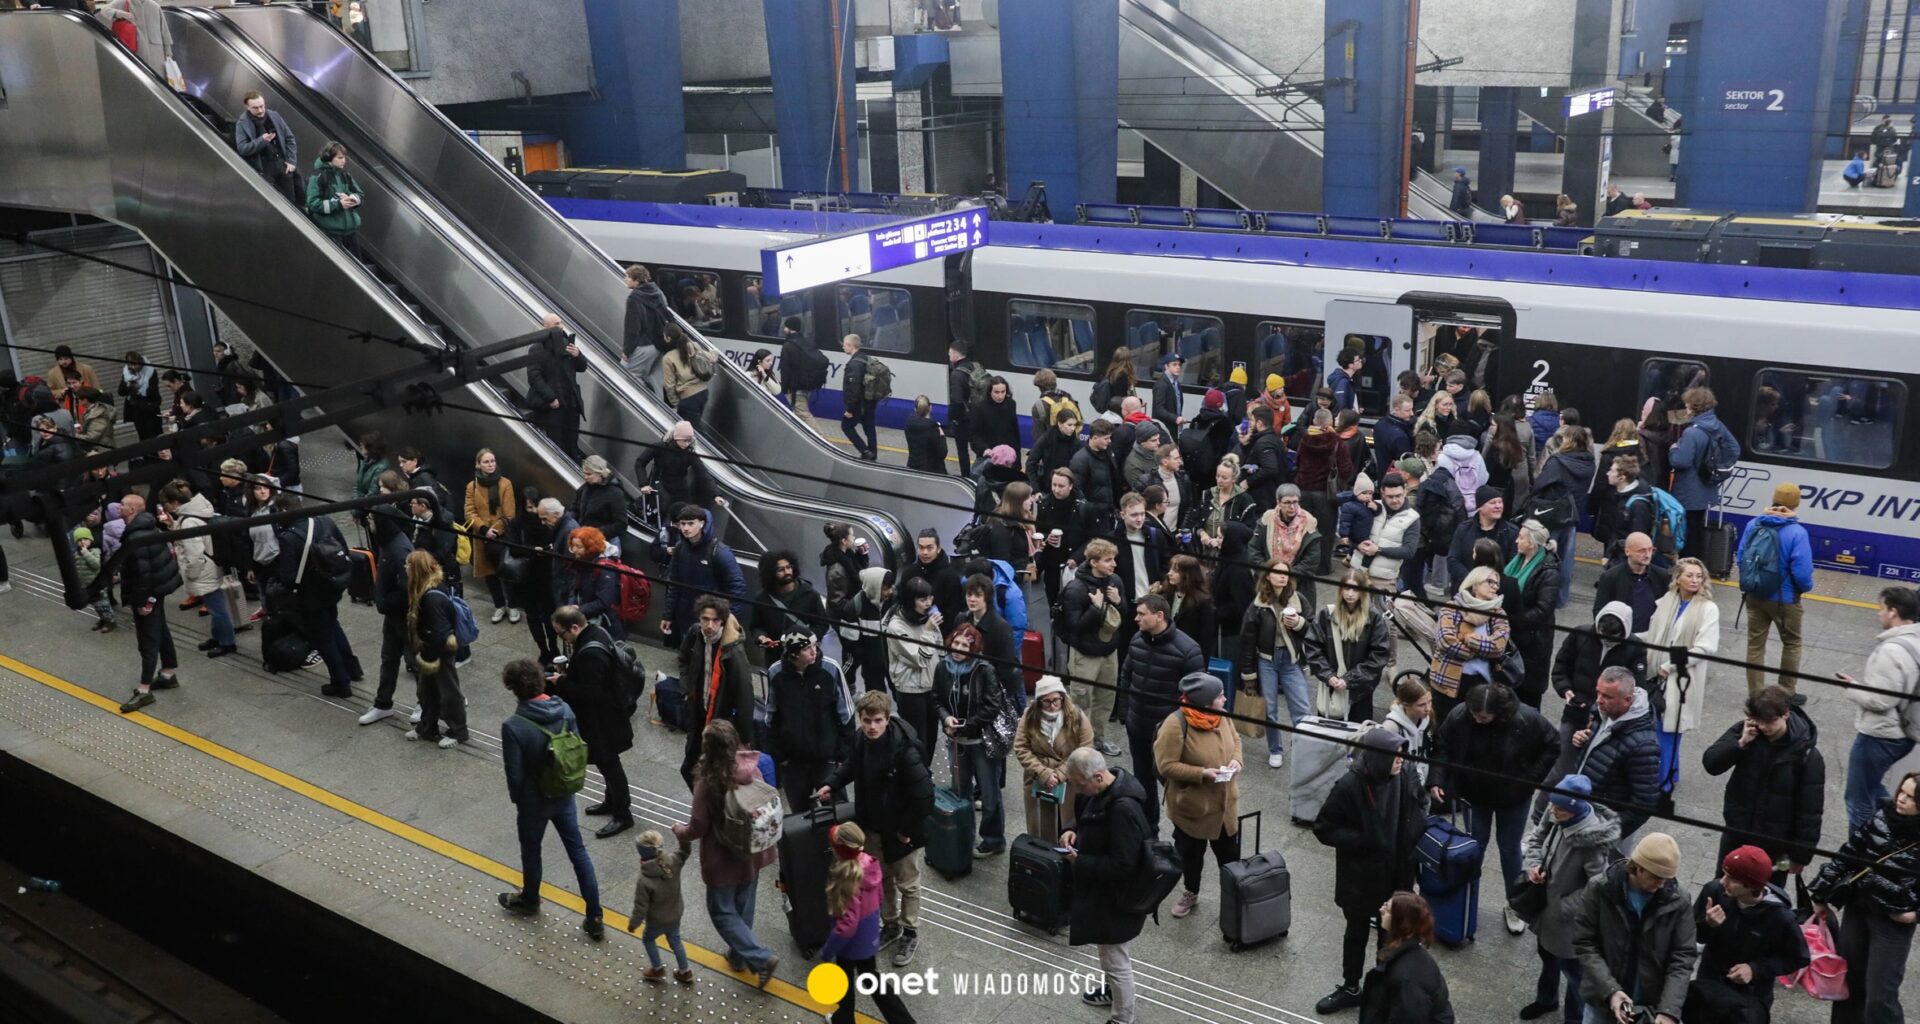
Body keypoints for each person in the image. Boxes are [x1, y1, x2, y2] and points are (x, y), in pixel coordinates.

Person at [1429, 682, 1558, 935]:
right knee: (1473, 847)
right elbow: (1442, 744)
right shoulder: (1461, 715)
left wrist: (1530, 778)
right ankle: (1468, 900)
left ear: (1499, 712)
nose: (1477, 720)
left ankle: (1515, 903)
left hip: (1513, 797)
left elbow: (1553, 744)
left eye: (1483, 717)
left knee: (1510, 850)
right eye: (1475, 715)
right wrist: (1437, 779)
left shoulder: (1527, 719)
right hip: (1475, 794)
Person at [817, 690, 934, 969]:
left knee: (907, 883)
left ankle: (910, 931)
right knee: (880, 879)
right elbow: (851, 766)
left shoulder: (904, 751)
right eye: (867, 720)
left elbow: (925, 795)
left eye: (877, 720)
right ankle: (891, 925)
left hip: (901, 831)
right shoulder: (861, 740)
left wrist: (906, 830)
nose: (871, 727)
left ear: (887, 719)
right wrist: (831, 783)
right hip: (872, 825)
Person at [1314, 727, 1426, 1015]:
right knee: (1356, 932)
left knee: (1390, 936)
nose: (1401, 759)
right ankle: (1351, 987)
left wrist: (1414, 831)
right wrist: (1363, 841)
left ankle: (1382, 990)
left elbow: (1420, 803)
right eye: (1394, 755)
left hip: (1397, 873)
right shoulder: (1350, 785)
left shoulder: (1405, 773)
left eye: (1402, 753)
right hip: (1360, 878)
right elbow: (1324, 828)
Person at [495, 659, 605, 940]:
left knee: (532, 849)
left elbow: (514, 773)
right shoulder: (564, 709)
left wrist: (518, 799)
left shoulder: (514, 726)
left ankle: (530, 899)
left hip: (534, 800)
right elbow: (577, 745)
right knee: (578, 852)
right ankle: (594, 915)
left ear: (513, 689)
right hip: (564, 792)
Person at [674, 720, 780, 987]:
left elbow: (698, 826)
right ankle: (738, 957)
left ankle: (760, 957)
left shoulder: (707, 782)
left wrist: (679, 831)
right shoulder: (751, 767)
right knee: (744, 905)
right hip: (752, 852)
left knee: (721, 912)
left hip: (723, 859)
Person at [1809, 770, 1920, 1024]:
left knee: (1881, 995)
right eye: (1901, 792)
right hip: (1858, 910)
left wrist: (1914, 915)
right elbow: (1848, 855)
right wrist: (1820, 894)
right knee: (1849, 985)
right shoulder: (1881, 818)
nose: (1901, 799)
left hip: (1891, 922)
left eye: (1911, 797)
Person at [1060, 747, 1152, 1024]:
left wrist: (1081, 861)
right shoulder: (1102, 792)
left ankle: (1123, 1018)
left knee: (1115, 960)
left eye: (1079, 784)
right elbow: (1088, 818)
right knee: (1109, 954)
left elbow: (1123, 865)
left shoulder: (1123, 809)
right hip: (1103, 895)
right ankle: (1112, 991)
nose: (1075, 789)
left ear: (1098, 777)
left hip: (1116, 900)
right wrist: (1072, 829)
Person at [1517, 775, 1619, 1023]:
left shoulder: (1591, 842)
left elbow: (1598, 885)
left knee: (1575, 978)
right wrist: (1532, 865)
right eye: (1553, 805)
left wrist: (1565, 906)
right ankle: (1547, 999)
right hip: (1545, 910)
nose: (1552, 811)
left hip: (1568, 923)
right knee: (1547, 957)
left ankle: (1574, 1019)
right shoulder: (1556, 811)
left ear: (1575, 810)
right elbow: (1537, 838)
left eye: (1559, 809)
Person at [1569, 831, 1697, 1024]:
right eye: (1656, 877)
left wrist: (1669, 1010)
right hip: (1603, 1001)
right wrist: (1611, 991)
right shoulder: (1599, 889)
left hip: (1652, 1005)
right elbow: (1585, 943)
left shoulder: (1680, 900)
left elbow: (1683, 956)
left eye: (1667, 878)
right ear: (1637, 868)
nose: (1662, 884)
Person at [1700, 683, 1825, 880]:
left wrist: (1800, 856)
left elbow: (1810, 811)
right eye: (1759, 720)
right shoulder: (1747, 732)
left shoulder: (1807, 755)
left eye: (1770, 721)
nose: (1764, 727)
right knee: (1723, 890)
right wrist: (1739, 744)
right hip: (1737, 835)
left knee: (1763, 901)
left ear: (1785, 714)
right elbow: (1711, 763)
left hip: (1774, 847)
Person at [1155, 672, 1245, 922]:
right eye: (1220, 696)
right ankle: (1190, 892)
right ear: (1205, 702)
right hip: (1192, 809)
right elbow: (1166, 766)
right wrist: (1202, 773)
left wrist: (1236, 760)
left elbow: (1236, 740)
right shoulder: (1175, 724)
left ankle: (1234, 897)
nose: (1225, 699)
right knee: (1191, 857)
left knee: (1230, 859)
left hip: (1225, 807)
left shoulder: (1222, 716)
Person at [1684, 845, 1808, 1023]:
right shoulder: (1714, 892)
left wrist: (1755, 969)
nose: (1722, 882)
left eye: (1731, 878)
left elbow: (1799, 957)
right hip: (1709, 987)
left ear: (1751, 886)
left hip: (1749, 999)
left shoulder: (1780, 918)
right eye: (1724, 874)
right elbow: (1692, 936)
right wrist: (1708, 924)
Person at [814, 822, 917, 1024]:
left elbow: (847, 923)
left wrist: (828, 950)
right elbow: (878, 897)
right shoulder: (870, 862)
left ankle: (844, 1019)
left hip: (850, 945)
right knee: (871, 978)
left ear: (838, 851)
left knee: (846, 982)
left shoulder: (845, 877)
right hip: (868, 935)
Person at [1837, 587, 1920, 833]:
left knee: (1857, 800)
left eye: (1881, 608)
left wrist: (1851, 687)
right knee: (1872, 788)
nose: (1878, 614)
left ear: (1893, 612)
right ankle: (1893, 831)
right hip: (1903, 733)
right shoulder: (1915, 641)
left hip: (1880, 734)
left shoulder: (1892, 649)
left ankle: (1862, 852)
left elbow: (1882, 700)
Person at [1637, 557, 1719, 804]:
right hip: (1658, 675)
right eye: (1689, 575)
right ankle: (1670, 774)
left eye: (1698, 576)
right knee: (1660, 727)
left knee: (1669, 730)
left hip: (1682, 678)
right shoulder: (1666, 602)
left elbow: (1705, 647)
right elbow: (1653, 635)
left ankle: (1663, 783)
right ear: (1677, 578)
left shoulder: (1708, 609)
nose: (1695, 580)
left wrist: (1669, 665)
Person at [1122, 594, 1206, 833]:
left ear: (1159, 616)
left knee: (1175, 784)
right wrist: (1126, 712)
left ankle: (1185, 832)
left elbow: (1196, 696)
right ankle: (1150, 832)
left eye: (1141, 614)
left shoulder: (1188, 650)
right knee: (1143, 781)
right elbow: (1126, 675)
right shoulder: (1137, 640)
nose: (1136, 618)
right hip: (1138, 727)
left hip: (1168, 735)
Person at [549, 605, 635, 839]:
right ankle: (611, 801)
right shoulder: (597, 632)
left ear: (574, 627)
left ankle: (623, 814)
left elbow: (592, 691)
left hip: (603, 721)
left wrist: (562, 682)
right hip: (606, 715)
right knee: (608, 765)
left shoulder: (590, 653)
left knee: (610, 765)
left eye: (561, 633)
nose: (561, 638)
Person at [934, 623, 1009, 858]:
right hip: (956, 742)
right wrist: (946, 719)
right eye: (955, 643)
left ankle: (993, 840)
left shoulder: (984, 669)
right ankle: (963, 834)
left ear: (974, 647)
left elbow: (992, 706)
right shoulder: (942, 667)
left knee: (989, 795)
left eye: (964, 645)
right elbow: (936, 698)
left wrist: (967, 726)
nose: (958, 649)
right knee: (960, 793)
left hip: (981, 743)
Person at [1736, 482, 1813, 694]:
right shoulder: (1797, 532)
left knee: (1755, 645)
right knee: (1792, 643)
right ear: (1796, 504)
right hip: (1784, 600)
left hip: (1754, 594)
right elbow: (1802, 573)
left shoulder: (1754, 524)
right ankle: (1786, 693)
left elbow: (1741, 557)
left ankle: (1756, 694)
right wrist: (1803, 589)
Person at [1568, 666, 1660, 842]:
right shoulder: (1604, 712)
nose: (1599, 700)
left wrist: (1604, 835)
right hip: (1581, 815)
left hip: (1603, 832)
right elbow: (1602, 755)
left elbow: (1644, 805)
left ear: (1627, 700)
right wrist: (1582, 742)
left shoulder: (1644, 746)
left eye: (1607, 696)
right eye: (1598, 693)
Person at [1238, 559, 1313, 769]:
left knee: (1302, 708)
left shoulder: (1298, 600)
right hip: (1266, 661)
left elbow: (1315, 629)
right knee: (1270, 710)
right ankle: (1275, 750)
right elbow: (1247, 640)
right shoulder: (1258, 604)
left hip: (1291, 660)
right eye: (1277, 572)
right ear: (1267, 576)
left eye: (1285, 573)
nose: (1282, 576)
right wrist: (1248, 674)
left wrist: (1299, 624)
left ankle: (1303, 750)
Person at [675, 594, 756, 787]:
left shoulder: (733, 651)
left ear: (723, 621)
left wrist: (743, 739)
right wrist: (687, 688)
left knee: (714, 776)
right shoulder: (696, 634)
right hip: (699, 713)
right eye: (705, 619)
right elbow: (684, 659)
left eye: (715, 620)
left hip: (720, 720)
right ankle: (705, 811)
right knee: (689, 769)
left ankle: (709, 812)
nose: (709, 625)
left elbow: (745, 696)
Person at [768, 630, 853, 810]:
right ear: (793, 654)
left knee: (838, 811)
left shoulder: (830, 669)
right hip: (794, 761)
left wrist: (841, 755)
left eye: (814, 646)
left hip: (827, 758)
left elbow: (847, 714)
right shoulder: (776, 673)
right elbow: (771, 717)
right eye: (807, 648)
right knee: (801, 815)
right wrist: (781, 755)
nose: (815, 652)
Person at [153, 481, 237, 659]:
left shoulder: (189, 521)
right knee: (216, 606)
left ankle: (227, 642)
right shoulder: (196, 511)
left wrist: (191, 574)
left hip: (203, 570)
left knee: (217, 608)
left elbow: (194, 552)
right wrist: (173, 525)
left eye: (165, 503)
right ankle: (218, 637)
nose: (165, 507)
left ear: (174, 502)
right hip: (210, 564)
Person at [1058, 539, 1127, 757]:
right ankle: (1080, 744)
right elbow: (1074, 626)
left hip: (1109, 651)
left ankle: (1098, 738)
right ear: (1094, 562)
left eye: (1113, 559)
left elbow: (1124, 614)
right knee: (1081, 700)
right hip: (1084, 654)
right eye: (1108, 560)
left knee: (1106, 699)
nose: (1113, 564)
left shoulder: (1115, 581)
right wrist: (1096, 608)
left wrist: (1118, 602)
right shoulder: (1076, 588)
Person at [115, 494, 184, 713]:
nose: (120, 506)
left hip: (148, 594)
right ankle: (168, 673)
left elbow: (143, 576)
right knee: (161, 630)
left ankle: (144, 690)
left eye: (124, 505)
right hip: (159, 590)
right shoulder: (150, 529)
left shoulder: (136, 539)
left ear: (132, 510)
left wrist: (146, 601)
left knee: (148, 640)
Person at [1304, 568, 1395, 723]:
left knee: (1357, 736)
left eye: (1356, 589)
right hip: (1331, 686)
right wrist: (1328, 676)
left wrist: (1349, 680)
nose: (1350, 593)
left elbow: (1379, 656)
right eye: (1346, 588)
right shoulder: (1326, 614)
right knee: (1330, 733)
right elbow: (1313, 647)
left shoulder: (1374, 618)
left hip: (1360, 691)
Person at [651, 503, 746, 649]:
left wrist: (728, 620)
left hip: (711, 618)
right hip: (686, 615)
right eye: (682, 524)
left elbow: (737, 587)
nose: (686, 528)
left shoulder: (719, 552)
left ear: (701, 524)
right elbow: (674, 584)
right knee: (689, 656)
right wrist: (668, 615)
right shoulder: (680, 548)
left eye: (691, 523)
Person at [1426, 566, 1510, 725]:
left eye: (1497, 584)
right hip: (1447, 682)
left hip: (1482, 683)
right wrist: (1479, 650)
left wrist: (1468, 639)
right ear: (1475, 584)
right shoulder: (1451, 607)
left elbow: (1498, 647)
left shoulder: (1498, 614)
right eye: (1490, 582)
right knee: (1445, 728)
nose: (1495, 586)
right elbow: (1445, 641)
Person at [1013, 676, 1093, 843]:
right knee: (1041, 829)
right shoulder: (1029, 716)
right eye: (1046, 701)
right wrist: (1044, 773)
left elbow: (1085, 747)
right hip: (1037, 777)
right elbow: (1021, 748)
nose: (1052, 705)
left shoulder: (1077, 716)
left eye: (1056, 700)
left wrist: (1059, 774)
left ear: (1063, 697)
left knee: (1068, 826)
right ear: (1038, 702)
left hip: (1070, 778)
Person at [404, 549, 469, 747]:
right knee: (427, 691)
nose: (405, 567)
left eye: (408, 564)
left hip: (437, 652)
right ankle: (427, 727)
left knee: (448, 693)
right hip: (430, 650)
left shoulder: (431, 597)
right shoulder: (428, 588)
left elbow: (439, 632)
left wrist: (427, 656)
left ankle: (458, 731)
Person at [1360, 891, 1456, 1023]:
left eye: (1387, 910)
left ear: (1402, 923)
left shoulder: (1405, 978)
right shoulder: (1412, 953)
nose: (1381, 910)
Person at [1668, 387, 1738, 563]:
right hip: (1706, 488)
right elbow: (1734, 449)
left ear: (1694, 406)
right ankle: (1696, 568)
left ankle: (1687, 569)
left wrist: (1673, 450)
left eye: (1688, 405)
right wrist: (1715, 469)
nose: (1686, 409)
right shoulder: (1716, 425)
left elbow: (1681, 461)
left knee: (1687, 534)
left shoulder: (1692, 432)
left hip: (1688, 490)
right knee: (1697, 530)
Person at [1501, 520, 1560, 708]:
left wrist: (1513, 620)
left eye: (1521, 537)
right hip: (1512, 635)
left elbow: (1543, 610)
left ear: (1532, 543)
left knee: (1527, 698)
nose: (1517, 541)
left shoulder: (1548, 571)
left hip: (1533, 643)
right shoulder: (1516, 561)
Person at [627, 828, 694, 984]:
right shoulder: (674, 861)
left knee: (648, 939)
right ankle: (685, 971)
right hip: (675, 913)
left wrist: (633, 924)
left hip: (656, 921)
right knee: (676, 941)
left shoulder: (644, 879)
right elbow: (684, 852)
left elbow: (640, 906)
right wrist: (683, 836)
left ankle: (657, 968)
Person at [463, 448, 518, 624]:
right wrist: (484, 529)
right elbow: (469, 512)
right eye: (486, 462)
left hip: (502, 535)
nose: (490, 465)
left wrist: (496, 529)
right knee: (490, 574)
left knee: (506, 570)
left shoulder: (505, 484)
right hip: (482, 537)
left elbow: (510, 513)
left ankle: (513, 605)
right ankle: (499, 605)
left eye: (492, 461)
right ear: (478, 464)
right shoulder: (472, 486)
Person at [525, 318, 587, 460]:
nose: (560, 326)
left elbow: (582, 367)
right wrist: (550, 397)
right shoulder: (537, 348)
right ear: (546, 327)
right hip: (554, 405)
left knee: (572, 443)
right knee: (556, 443)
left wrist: (578, 355)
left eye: (560, 323)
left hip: (571, 403)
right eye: (556, 324)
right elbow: (534, 376)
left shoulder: (568, 344)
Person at [1249, 485, 1325, 598]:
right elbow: (1253, 550)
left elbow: (1311, 560)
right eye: (1287, 502)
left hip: (1299, 586)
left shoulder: (1309, 523)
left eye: (1295, 502)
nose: (1292, 507)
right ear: (1278, 502)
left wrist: (1287, 576)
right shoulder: (1267, 519)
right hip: (1267, 584)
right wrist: (1269, 573)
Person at [634, 420, 717, 519]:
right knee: (664, 505)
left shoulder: (690, 454)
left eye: (689, 441)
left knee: (685, 512)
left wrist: (716, 494)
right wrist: (644, 484)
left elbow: (703, 473)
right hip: (660, 483)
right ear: (676, 438)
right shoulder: (660, 447)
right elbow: (640, 463)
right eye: (684, 440)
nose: (687, 444)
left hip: (680, 489)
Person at [1592, 532, 1669, 635]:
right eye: (1642, 551)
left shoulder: (1662, 576)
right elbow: (1599, 611)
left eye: (1651, 550)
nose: (1647, 555)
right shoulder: (1610, 577)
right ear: (1628, 551)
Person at [233, 91, 300, 204]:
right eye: (255, 108)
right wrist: (262, 141)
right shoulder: (242, 123)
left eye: (262, 106)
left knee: (291, 203)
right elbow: (243, 148)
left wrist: (291, 161)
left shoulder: (274, 115)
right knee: (271, 205)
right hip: (264, 170)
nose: (260, 110)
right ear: (247, 107)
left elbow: (289, 138)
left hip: (283, 165)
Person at [1447, 487, 1516, 588]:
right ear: (1480, 507)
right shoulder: (1464, 529)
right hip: (1466, 587)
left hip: (1496, 589)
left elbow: (1513, 563)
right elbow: (1453, 560)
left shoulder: (1511, 532)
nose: (1498, 506)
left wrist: (1492, 582)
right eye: (1493, 503)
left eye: (1500, 502)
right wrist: (1472, 580)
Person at [304, 141, 364, 256]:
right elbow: (313, 203)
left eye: (344, 157)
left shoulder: (345, 175)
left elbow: (360, 194)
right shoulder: (317, 177)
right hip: (331, 232)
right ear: (328, 158)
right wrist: (338, 204)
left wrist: (352, 199)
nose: (344, 161)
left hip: (351, 231)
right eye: (340, 158)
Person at [622, 264, 670, 386]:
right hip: (660, 342)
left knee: (629, 374)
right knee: (654, 377)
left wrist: (627, 351)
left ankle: (636, 403)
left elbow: (632, 328)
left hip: (644, 343)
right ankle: (658, 405)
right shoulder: (657, 292)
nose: (625, 279)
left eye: (627, 277)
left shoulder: (634, 298)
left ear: (636, 280)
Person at [835, 333, 879, 461]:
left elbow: (854, 390)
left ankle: (865, 452)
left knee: (846, 426)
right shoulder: (866, 358)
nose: (843, 347)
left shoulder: (854, 365)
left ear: (850, 346)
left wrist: (850, 409)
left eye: (844, 344)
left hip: (859, 404)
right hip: (870, 401)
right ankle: (873, 452)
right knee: (869, 427)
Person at [659, 325, 712, 429]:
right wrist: (715, 353)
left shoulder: (668, 358)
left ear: (668, 338)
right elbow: (708, 357)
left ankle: (706, 446)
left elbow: (669, 385)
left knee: (695, 432)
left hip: (687, 398)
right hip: (703, 392)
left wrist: (675, 404)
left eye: (664, 336)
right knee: (695, 425)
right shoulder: (693, 345)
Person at [969, 376, 1022, 470]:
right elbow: (974, 435)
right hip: (991, 457)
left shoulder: (1011, 404)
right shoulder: (980, 409)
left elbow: (1014, 432)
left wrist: (1017, 458)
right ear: (990, 392)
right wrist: (984, 449)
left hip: (1009, 458)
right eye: (996, 392)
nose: (1000, 396)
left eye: (1003, 392)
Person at [946, 343, 980, 476]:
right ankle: (980, 472)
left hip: (964, 419)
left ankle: (966, 476)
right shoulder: (976, 366)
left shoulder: (956, 374)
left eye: (950, 353)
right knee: (979, 447)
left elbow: (957, 401)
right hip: (978, 414)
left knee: (962, 450)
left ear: (955, 354)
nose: (949, 356)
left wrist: (953, 419)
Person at [117, 352, 162, 441]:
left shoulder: (150, 371)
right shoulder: (127, 374)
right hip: (137, 411)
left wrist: (138, 388)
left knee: (155, 437)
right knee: (143, 438)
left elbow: (152, 391)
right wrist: (128, 386)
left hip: (150, 408)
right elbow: (121, 392)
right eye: (130, 365)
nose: (133, 367)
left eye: (135, 364)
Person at [778, 315, 814, 419]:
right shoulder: (807, 342)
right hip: (806, 385)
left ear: (790, 328)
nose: (784, 329)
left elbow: (785, 369)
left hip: (794, 388)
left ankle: (819, 435)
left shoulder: (788, 345)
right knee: (798, 416)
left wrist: (784, 388)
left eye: (786, 327)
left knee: (804, 415)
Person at [904, 395, 947, 473]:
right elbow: (942, 453)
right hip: (932, 470)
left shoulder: (909, 424)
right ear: (930, 408)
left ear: (915, 409)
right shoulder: (933, 428)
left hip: (913, 466)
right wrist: (942, 435)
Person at [1152, 352, 1186, 437]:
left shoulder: (1176, 384)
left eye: (1179, 365)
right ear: (1166, 366)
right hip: (1164, 429)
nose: (1178, 367)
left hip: (1173, 427)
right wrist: (1175, 418)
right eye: (1174, 365)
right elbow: (1158, 409)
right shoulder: (1161, 384)